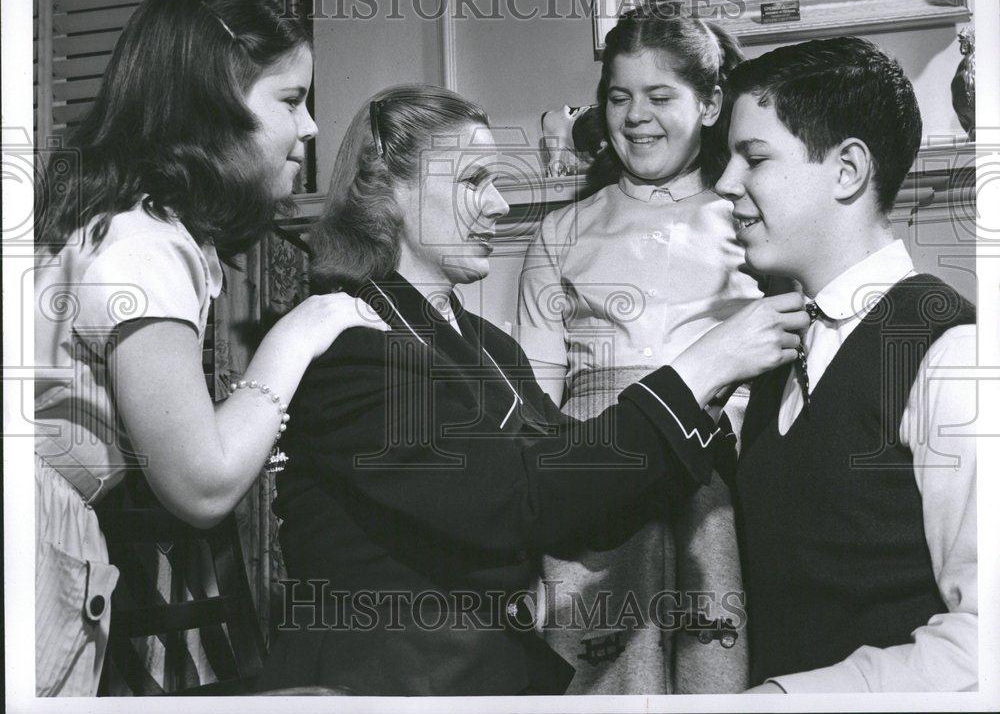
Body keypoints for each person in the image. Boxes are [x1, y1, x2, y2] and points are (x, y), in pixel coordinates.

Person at [255, 84, 808, 696]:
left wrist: (708, 395)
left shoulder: (489, 345)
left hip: (481, 669)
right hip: (386, 682)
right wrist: (699, 368)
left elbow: (581, 483)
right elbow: (516, 500)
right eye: (473, 181)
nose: (498, 205)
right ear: (388, 189)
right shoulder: (351, 343)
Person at [33, 0, 384, 696]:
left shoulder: (118, 226)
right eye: (289, 100)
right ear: (210, 109)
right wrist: (302, 329)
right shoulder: (145, 244)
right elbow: (202, 484)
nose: (311, 127)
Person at [710, 36, 976, 692]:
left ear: (848, 170)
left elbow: (986, 645)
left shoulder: (954, 356)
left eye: (754, 157)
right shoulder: (776, 359)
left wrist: (785, 699)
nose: (724, 185)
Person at [517, 10, 760, 693]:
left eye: (661, 98)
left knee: (711, 653)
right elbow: (536, 399)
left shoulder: (746, 218)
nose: (636, 118)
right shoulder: (563, 230)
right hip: (597, 478)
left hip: (712, 483)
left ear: (710, 104)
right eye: (619, 98)